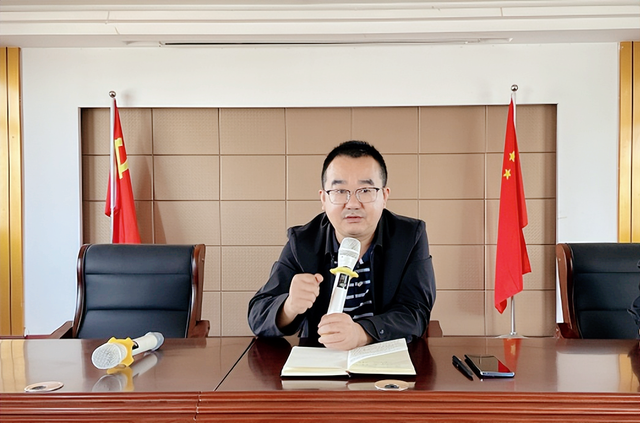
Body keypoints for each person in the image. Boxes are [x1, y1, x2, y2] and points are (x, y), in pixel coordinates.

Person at [248, 140, 436, 351]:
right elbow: (257, 316)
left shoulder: (410, 236)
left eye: (365, 190)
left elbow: (416, 311)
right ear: (323, 199)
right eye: (340, 191)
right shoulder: (302, 242)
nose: (353, 204)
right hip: (322, 360)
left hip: (386, 358)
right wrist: (289, 306)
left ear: (384, 196)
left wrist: (361, 333)